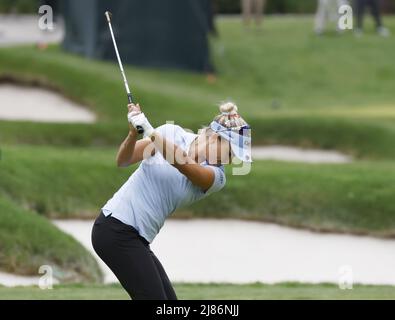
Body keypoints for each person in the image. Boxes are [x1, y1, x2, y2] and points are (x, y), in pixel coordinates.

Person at [91, 101, 252, 300]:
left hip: (136, 238)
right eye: (230, 152)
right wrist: (133, 133)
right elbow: (123, 160)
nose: (230, 160)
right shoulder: (171, 132)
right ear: (216, 138)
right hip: (114, 228)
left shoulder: (217, 177)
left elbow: (182, 163)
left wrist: (150, 131)